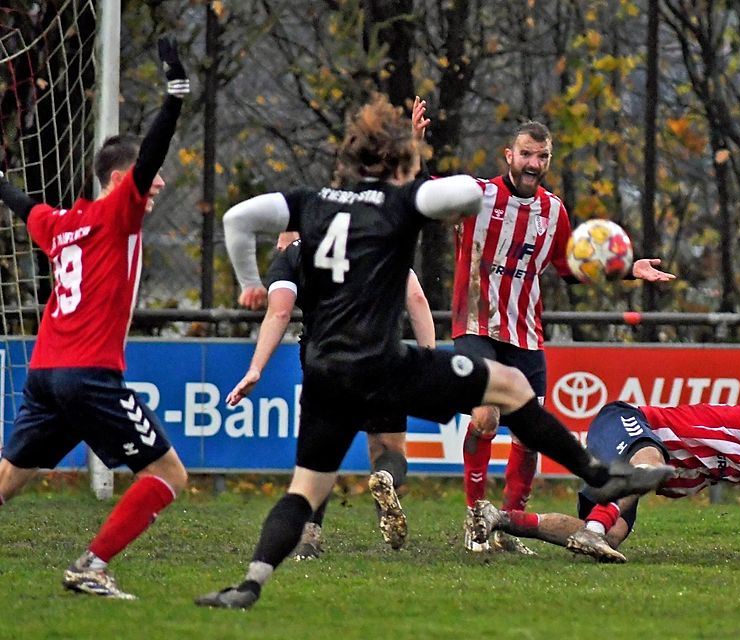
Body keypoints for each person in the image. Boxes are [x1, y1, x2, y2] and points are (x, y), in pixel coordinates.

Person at [195, 94, 675, 610]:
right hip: (385, 364)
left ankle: (251, 583)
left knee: (304, 491)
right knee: (511, 389)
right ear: (399, 163)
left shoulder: (310, 203)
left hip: (324, 370)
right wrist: (419, 156)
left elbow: (238, 218)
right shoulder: (400, 204)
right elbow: (463, 192)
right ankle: (601, 476)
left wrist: (250, 283)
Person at [411, 100, 675, 552]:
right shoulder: (476, 195)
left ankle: (508, 526)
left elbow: (569, 266)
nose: (534, 163)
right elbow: (420, 194)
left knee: (529, 432)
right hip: (476, 327)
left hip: (526, 335)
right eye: (526, 154)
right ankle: (477, 521)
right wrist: (414, 145)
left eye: (542, 157)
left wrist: (630, 268)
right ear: (508, 156)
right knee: (485, 417)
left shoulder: (554, 211)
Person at [0, 38, 190, 599]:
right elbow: (151, 154)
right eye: (144, 176)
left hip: (45, 372)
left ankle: (92, 565)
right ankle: (92, 565)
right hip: (88, 373)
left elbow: (21, 202)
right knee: (169, 475)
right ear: (119, 179)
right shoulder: (116, 213)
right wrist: (173, 101)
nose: (155, 183)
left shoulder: (61, 223)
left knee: (9, 478)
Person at [469, 383, 740, 569]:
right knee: (652, 463)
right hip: (624, 420)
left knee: (613, 535)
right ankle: (595, 529)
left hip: (628, 466)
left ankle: (499, 519)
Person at [226, 232, 437, 555]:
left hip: (325, 358)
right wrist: (428, 359)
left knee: (320, 451)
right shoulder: (372, 237)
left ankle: (309, 536)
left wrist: (256, 368)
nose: (278, 246)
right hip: (382, 354)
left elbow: (279, 313)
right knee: (389, 447)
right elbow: (417, 299)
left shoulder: (291, 255)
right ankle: (386, 478)